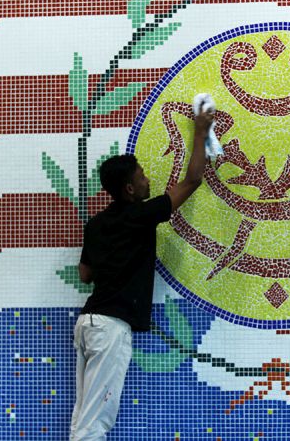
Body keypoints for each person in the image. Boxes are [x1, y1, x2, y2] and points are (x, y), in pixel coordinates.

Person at [70, 108, 214, 441]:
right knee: (95, 422)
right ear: (130, 190)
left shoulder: (96, 224)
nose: (148, 180)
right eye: (142, 176)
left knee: (83, 418)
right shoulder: (139, 215)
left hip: (88, 324)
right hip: (109, 328)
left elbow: (85, 274)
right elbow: (192, 181)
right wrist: (200, 133)